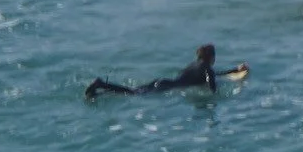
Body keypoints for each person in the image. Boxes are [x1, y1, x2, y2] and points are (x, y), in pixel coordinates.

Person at [86, 44, 240, 99]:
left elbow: (214, 73)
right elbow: (210, 78)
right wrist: (215, 94)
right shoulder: (207, 69)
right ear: (211, 57)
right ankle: (101, 85)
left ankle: (101, 90)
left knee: (133, 91)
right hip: (167, 87)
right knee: (132, 94)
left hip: (163, 82)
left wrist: (233, 70)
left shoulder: (193, 65)